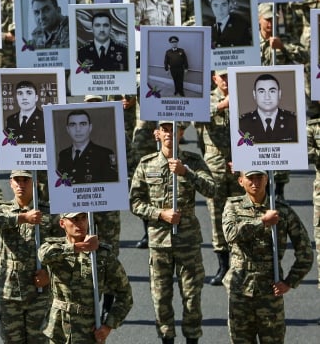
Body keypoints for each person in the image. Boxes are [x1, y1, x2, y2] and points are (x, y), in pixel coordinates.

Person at [130, 121, 215, 344]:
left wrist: (186, 172)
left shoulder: (193, 161)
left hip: (188, 241)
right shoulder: (146, 164)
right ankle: (166, 338)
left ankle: (192, 339)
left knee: (192, 296)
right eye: (165, 129)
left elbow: (211, 189)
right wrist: (160, 214)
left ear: (181, 133)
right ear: (156, 134)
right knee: (161, 298)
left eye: (174, 129)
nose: (169, 133)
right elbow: (135, 203)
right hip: (159, 242)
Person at [222, 170, 313, 343]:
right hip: (240, 290)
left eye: (259, 178)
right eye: (250, 178)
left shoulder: (282, 211)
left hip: (270, 292)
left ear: (267, 180)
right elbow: (230, 234)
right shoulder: (232, 206)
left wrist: (289, 282)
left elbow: (306, 252)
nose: (255, 182)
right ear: (241, 181)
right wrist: (262, 222)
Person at [0, 169, 59, 343]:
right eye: (17, 180)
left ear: (34, 183)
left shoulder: (48, 213)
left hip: (39, 292)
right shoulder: (2, 209)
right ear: (10, 183)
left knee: (39, 340)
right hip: (10, 291)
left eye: (25, 180)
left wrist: (49, 274)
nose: (21, 185)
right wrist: (23, 217)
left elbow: (61, 248)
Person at [38, 212, 133, 343]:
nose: (80, 223)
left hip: (88, 331)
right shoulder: (54, 248)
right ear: (62, 223)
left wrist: (108, 326)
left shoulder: (102, 254)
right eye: (74, 219)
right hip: (58, 329)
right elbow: (43, 255)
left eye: (84, 218)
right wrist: (80, 247)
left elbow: (125, 294)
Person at [56, 110, 119, 184]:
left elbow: (112, 187)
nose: (78, 129)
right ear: (68, 129)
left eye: (83, 124)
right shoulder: (63, 155)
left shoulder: (104, 154)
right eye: (73, 125)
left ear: (90, 127)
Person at [237, 73, 298, 143]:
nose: (267, 97)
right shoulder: (242, 124)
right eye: (261, 91)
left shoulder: (294, 122)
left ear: (279, 94)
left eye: (272, 91)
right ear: (254, 94)